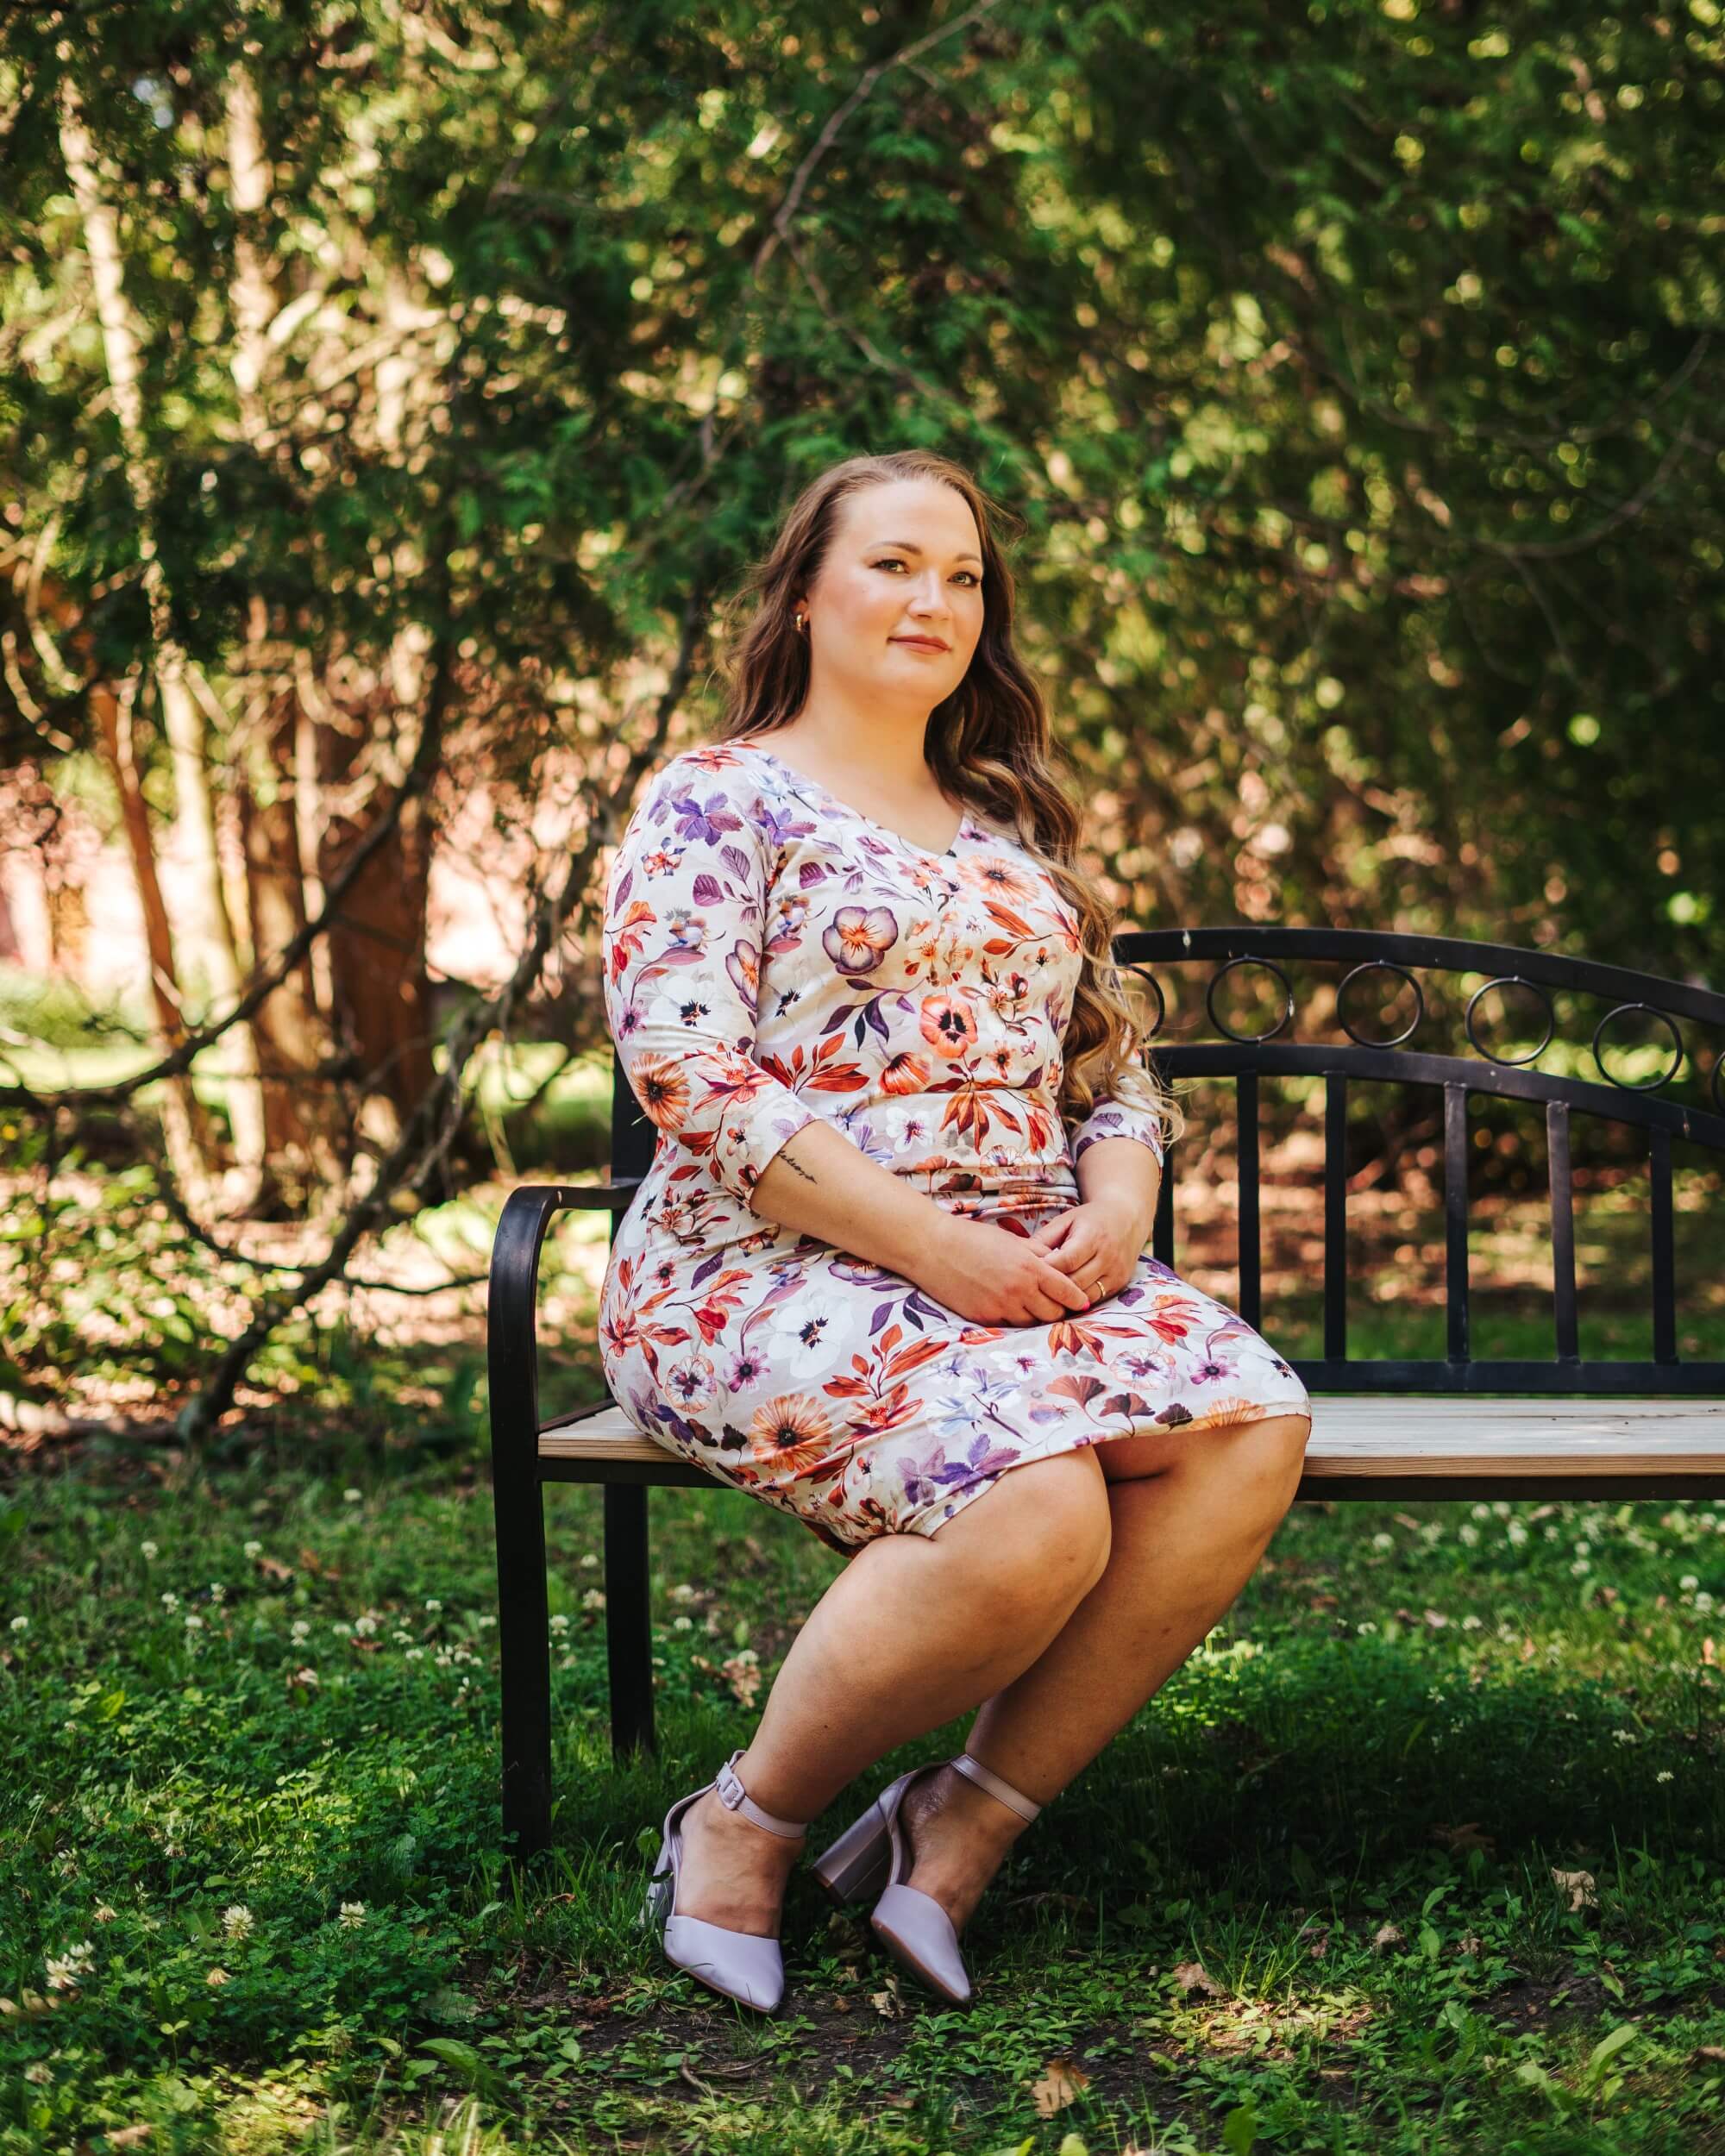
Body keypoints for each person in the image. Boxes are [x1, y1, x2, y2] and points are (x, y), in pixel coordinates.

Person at [599, 448, 1312, 2014]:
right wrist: (932, 1247)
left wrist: (1117, 1205)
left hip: (1017, 1263)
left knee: (1252, 1422)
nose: (935, 598)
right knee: (1034, 1508)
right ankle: (742, 1822)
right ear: (805, 592)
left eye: (964, 576)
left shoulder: (1004, 822)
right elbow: (685, 1068)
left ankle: (962, 1819)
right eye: (894, 564)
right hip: (758, 1272)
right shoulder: (721, 798)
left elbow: (1108, 1062)